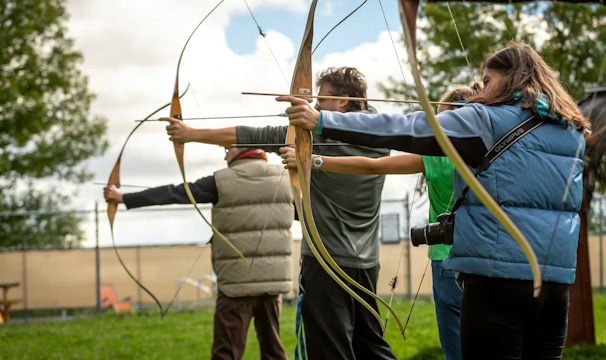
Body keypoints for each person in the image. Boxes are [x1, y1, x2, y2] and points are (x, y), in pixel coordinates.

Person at [278, 42, 590, 359]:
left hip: (497, 283)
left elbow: (406, 126)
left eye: (487, 81)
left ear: (508, 79)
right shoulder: (570, 128)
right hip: (554, 286)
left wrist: (323, 120)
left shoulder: (484, 120)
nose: (481, 90)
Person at [162, 67, 396, 360]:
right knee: (371, 346)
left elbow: (254, 135)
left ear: (343, 101)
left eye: (320, 100)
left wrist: (190, 133)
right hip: (366, 263)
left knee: (330, 350)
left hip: (326, 264)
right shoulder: (383, 134)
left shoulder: (317, 140)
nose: (314, 107)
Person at [280, 85, 478, 360]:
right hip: (487, 261)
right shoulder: (494, 152)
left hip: (447, 260)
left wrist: (313, 160)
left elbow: (373, 166)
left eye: (441, 119)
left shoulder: (440, 156)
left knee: (456, 350)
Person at [104, 147, 293, 360]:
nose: (225, 155)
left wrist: (123, 198)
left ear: (242, 148)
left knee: (226, 353)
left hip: (236, 285)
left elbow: (174, 193)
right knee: (273, 352)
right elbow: (303, 214)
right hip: (273, 284)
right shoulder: (285, 178)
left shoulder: (222, 180)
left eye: (228, 149)